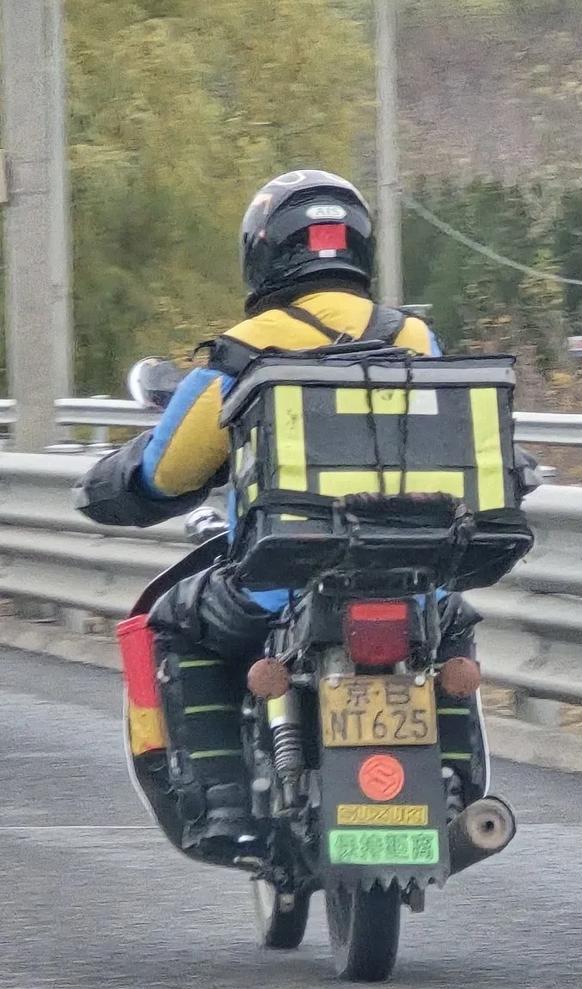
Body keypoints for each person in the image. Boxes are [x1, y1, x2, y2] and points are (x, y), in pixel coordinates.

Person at [76, 169, 498, 855]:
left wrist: (117, 477)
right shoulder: (419, 341)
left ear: (264, 252)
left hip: (279, 581)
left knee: (179, 629)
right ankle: (454, 782)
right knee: (449, 631)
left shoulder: (243, 351)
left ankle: (223, 807)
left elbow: (168, 470)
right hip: (415, 573)